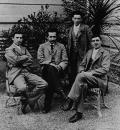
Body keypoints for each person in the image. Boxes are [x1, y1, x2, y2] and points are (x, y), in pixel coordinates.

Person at [61, 36, 110, 123]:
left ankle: (70, 99)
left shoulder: (105, 53)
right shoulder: (89, 52)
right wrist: (82, 70)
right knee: (82, 84)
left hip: (99, 80)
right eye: (93, 41)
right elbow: (82, 64)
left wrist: (91, 73)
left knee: (81, 76)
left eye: (97, 40)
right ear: (91, 43)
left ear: (101, 42)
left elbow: (105, 69)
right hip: (86, 77)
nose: (95, 42)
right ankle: (79, 113)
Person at [5, 31, 48, 114]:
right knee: (22, 88)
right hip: (16, 73)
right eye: (17, 37)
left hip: (26, 71)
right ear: (13, 38)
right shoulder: (8, 50)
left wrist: (20, 60)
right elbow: (15, 60)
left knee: (44, 84)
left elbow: (30, 60)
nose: (19, 39)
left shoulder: (24, 48)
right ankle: (28, 100)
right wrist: (24, 57)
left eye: (21, 38)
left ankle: (29, 100)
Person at [37, 28, 68, 113]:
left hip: (58, 70)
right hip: (46, 70)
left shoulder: (61, 46)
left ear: (56, 37)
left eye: (54, 36)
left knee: (49, 81)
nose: (52, 39)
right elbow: (40, 59)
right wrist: (51, 64)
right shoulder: (42, 46)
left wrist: (59, 66)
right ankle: (59, 90)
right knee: (50, 69)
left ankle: (46, 106)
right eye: (50, 37)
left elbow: (65, 60)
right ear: (47, 37)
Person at [67, 11, 93, 87]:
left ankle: (80, 87)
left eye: (78, 18)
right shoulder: (70, 29)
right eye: (75, 18)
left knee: (80, 69)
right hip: (72, 53)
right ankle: (72, 86)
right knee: (72, 70)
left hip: (82, 53)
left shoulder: (86, 28)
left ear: (81, 19)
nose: (77, 20)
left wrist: (89, 54)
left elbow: (91, 41)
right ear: (72, 19)